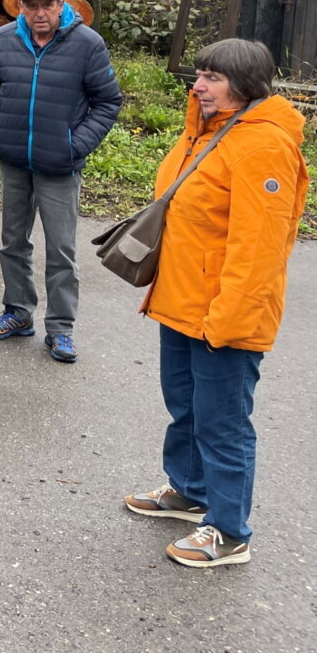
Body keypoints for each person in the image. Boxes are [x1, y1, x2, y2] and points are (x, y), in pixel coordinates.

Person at [123, 39, 306, 569]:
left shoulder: (264, 145)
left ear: (245, 85)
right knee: (186, 406)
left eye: (212, 78)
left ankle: (228, 531)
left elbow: (260, 248)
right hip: (181, 302)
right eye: (200, 74)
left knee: (223, 422)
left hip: (223, 315)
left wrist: (228, 320)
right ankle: (189, 490)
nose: (198, 85)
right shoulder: (207, 130)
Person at [0, 0, 122, 362]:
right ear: (21, 7)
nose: (39, 12)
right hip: (14, 160)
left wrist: (76, 144)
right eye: (32, 5)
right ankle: (18, 312)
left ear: (61, 6)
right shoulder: (5, 38)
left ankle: (60, 327)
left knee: (60, 249)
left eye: (47, 5)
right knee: (13, 242)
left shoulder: (87, 44)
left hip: (59, 166)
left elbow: (108, 101)